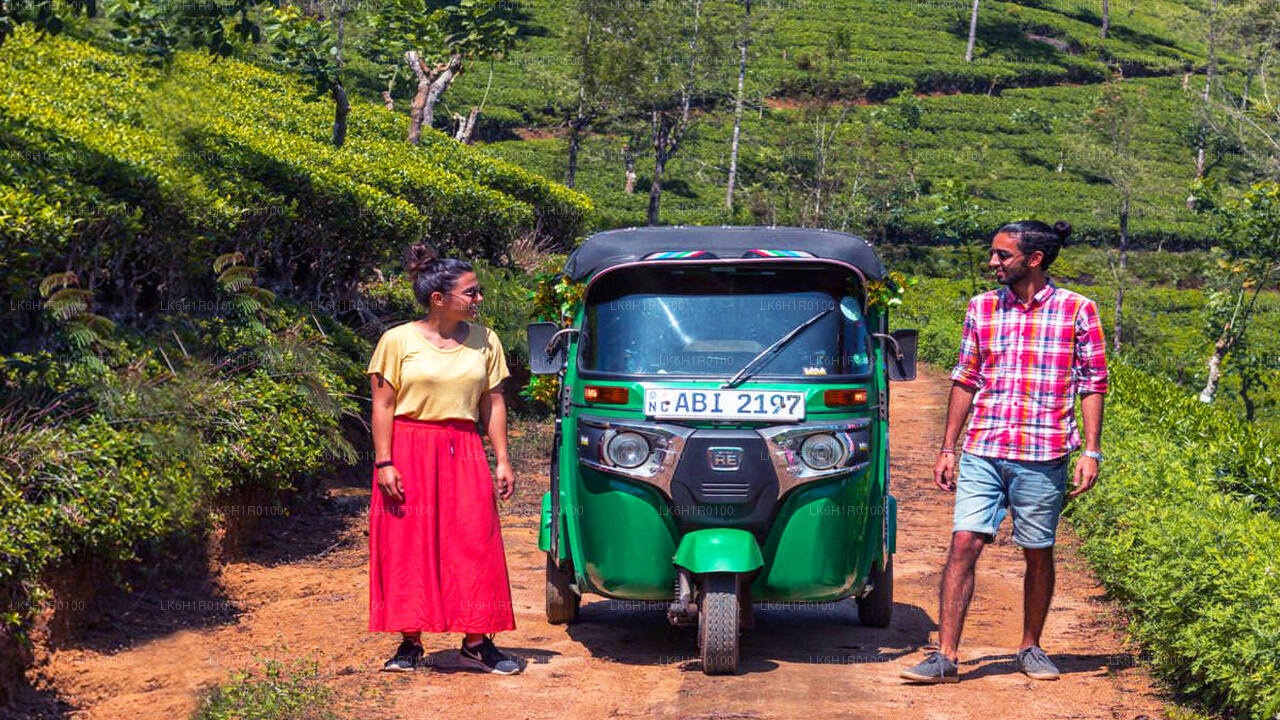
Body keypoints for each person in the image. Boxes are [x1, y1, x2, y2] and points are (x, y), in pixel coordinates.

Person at [900, 220, 1108, 684]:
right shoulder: (982, 308)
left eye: (1002, 255)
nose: (992, 262)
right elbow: (965, 377)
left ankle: (1030, 647)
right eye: (993, 254)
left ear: (1033, 259)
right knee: (963, 543)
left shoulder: (1078, 310)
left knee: (1037, 550)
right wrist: (947, 447)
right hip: (984, 448)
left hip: (1044, 451)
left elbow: (1093, 384)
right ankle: (945, 656)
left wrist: (1092, 451)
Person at [366, 244, 521, 675]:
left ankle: (475, 641)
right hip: (409, 448)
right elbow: (382, 405)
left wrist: (502, 459)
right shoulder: (396, 341)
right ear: (439, 299)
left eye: (478, 292)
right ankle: (409, 643)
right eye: (470, 293)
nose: (479, 300)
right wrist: (384, 462)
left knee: (475, 540)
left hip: (464, 448)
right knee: (407, 545)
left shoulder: (486, 340)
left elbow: (493, 402)